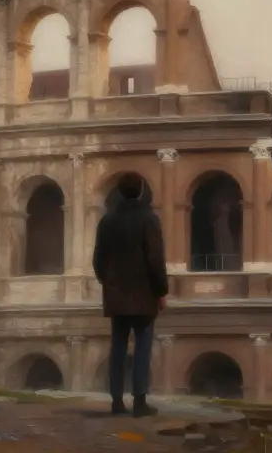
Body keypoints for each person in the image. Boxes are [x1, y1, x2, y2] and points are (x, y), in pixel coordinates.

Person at [92, 172, 169, 417]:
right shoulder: (149, 220)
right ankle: (139, 401)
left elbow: (98, 260)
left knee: (117, 347)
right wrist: (161, 291)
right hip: (144, 294)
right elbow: (155, 259)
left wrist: (108, 282)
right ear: (142, 191)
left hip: (117, 294)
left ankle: (116, 401)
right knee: (143, 348)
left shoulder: (107, 221)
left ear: (119, 191)